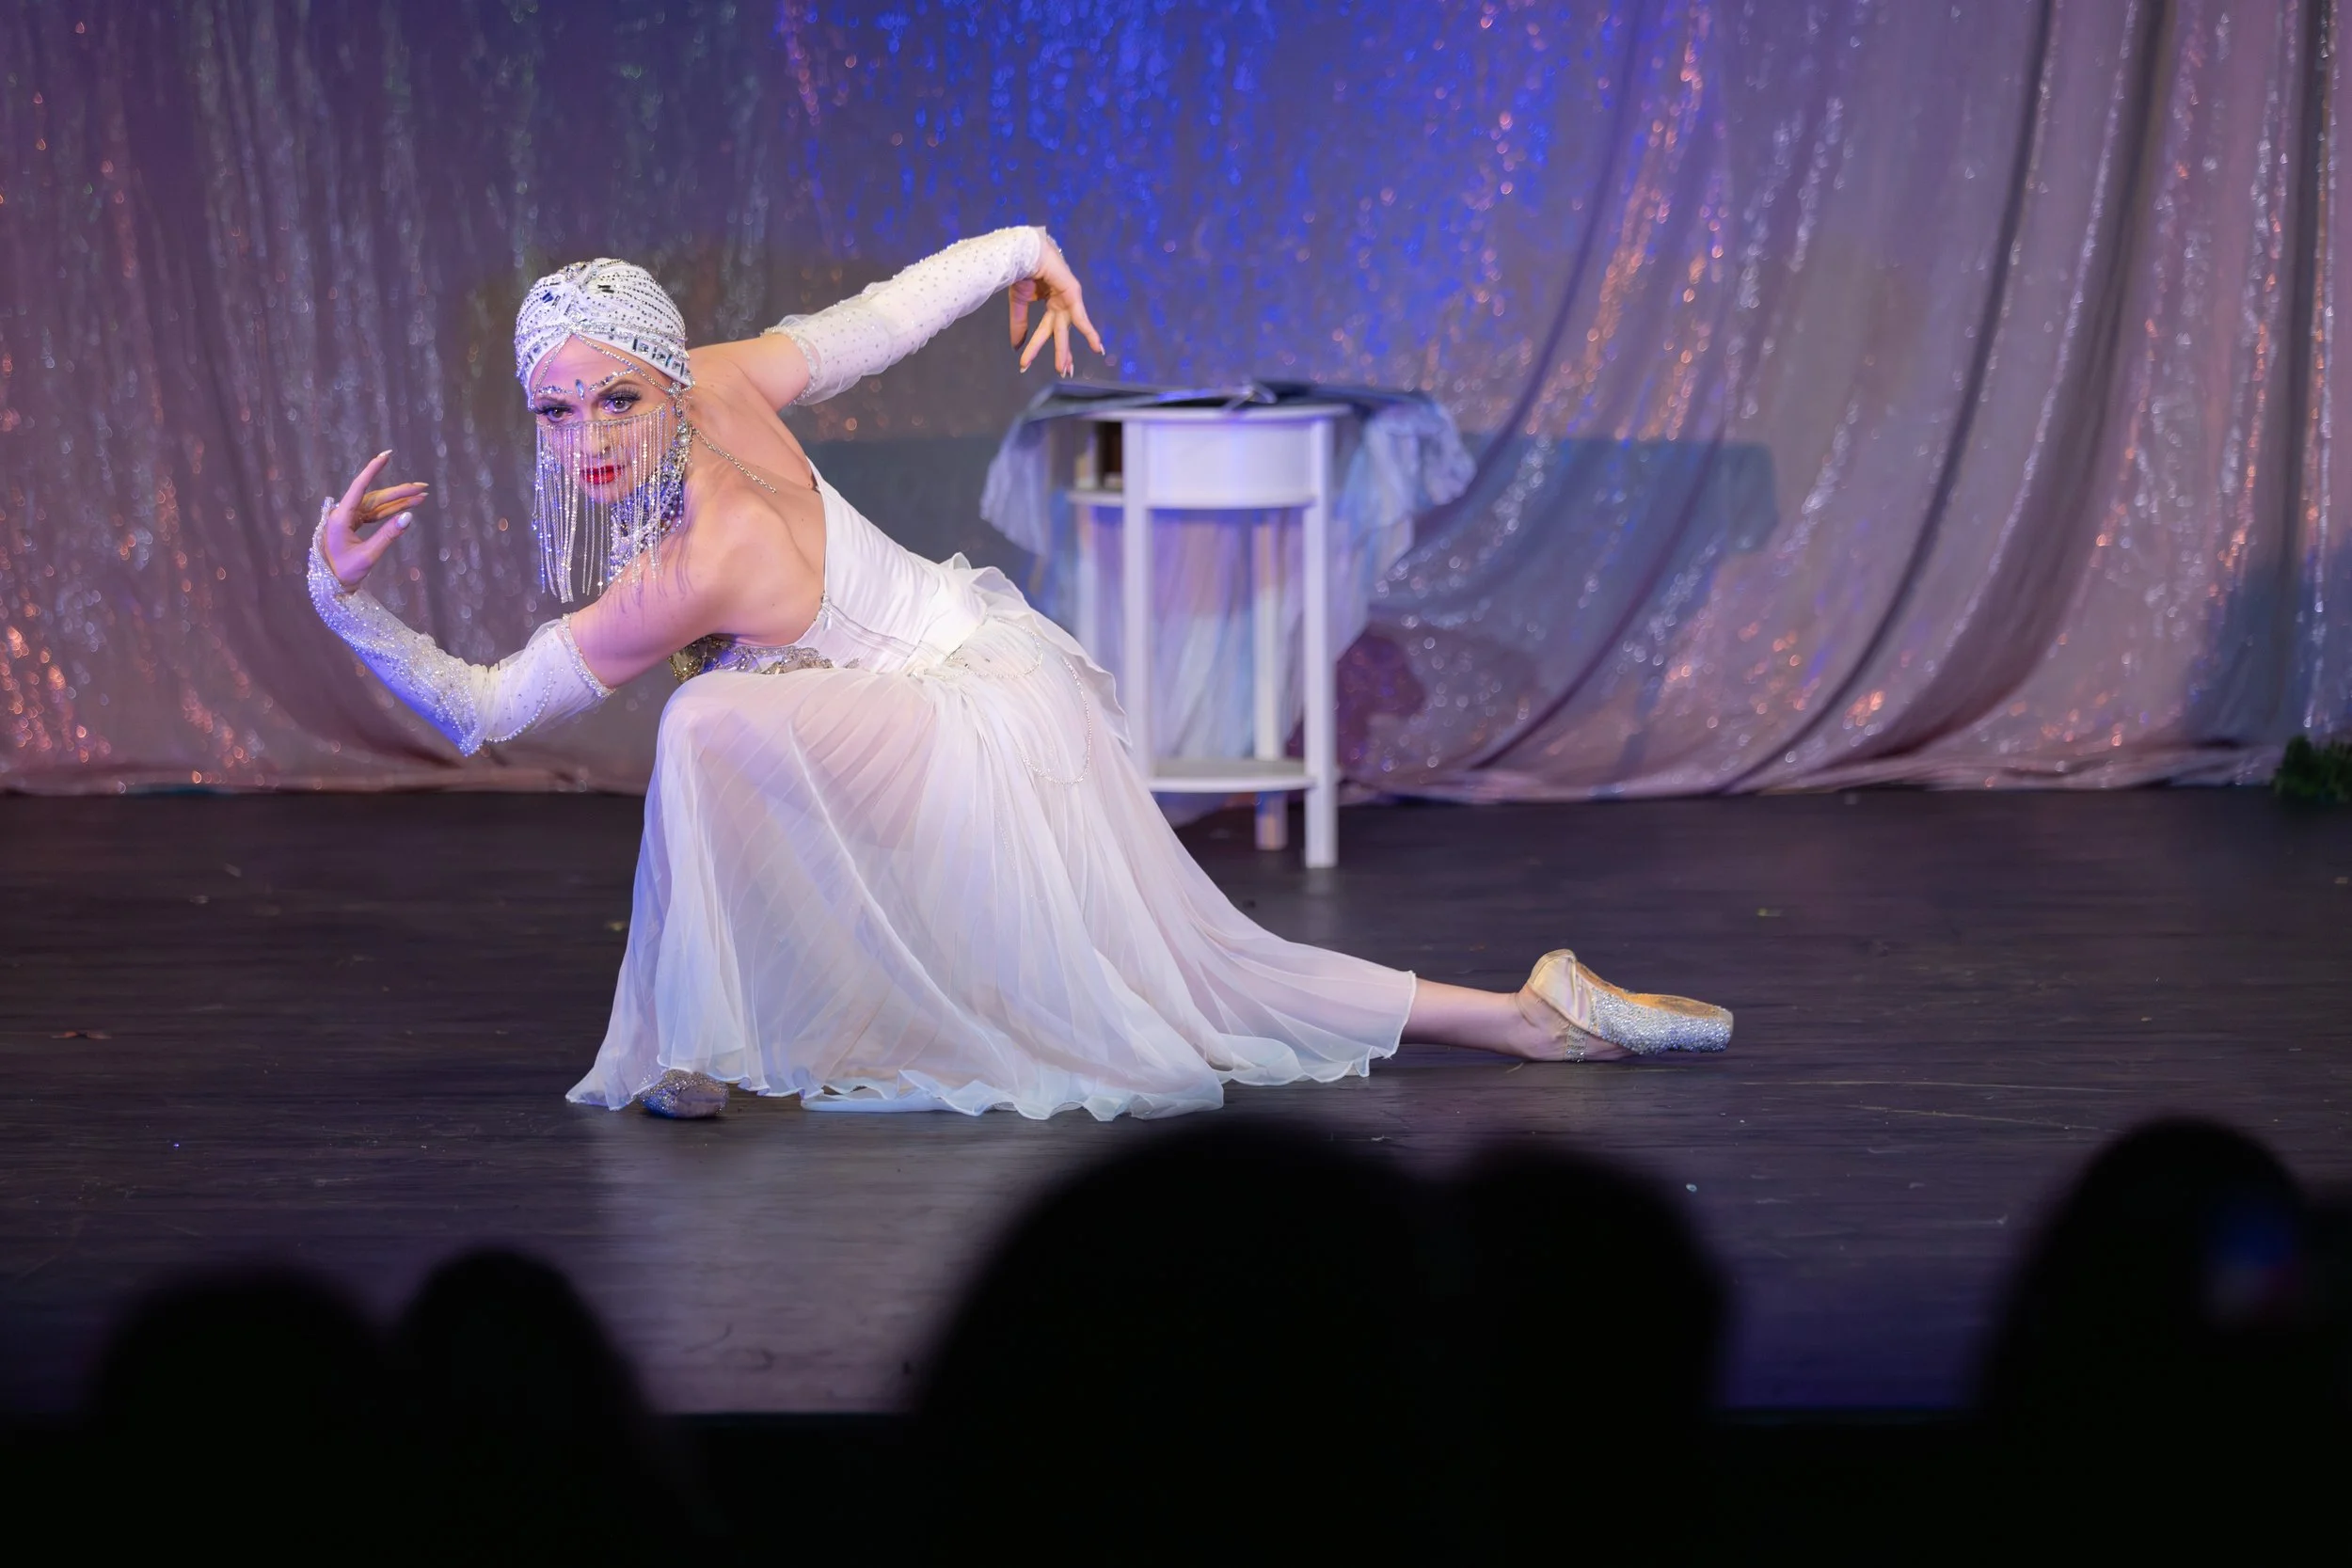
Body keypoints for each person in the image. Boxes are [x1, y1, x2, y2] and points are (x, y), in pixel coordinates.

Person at [306, 226, 1732, 1120]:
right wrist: (1022, 246)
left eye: (616, 398)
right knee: (1196, 966)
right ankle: (1522, 1014)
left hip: (963, 726)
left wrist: (339, 603)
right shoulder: (727, 378)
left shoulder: (697, 557)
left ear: (671, 381)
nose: (590, 439)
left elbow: (490, 706)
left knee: (713, 719)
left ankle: (703, 1039)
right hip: (974, 680)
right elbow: (880, 316)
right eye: (558, 414)